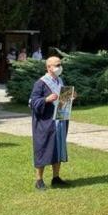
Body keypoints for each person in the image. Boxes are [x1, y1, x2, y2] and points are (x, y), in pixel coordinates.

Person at [30, 56, 73, 190]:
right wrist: (46, 99)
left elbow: (63, 99)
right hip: (45, 122)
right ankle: (39, 180)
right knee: (42, 148)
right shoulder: (41, 83)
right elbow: (32, 102)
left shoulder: (60, 80)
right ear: (49, 67)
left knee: (58, 147)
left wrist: (70, 97)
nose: (59, 67)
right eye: (57, 65)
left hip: (60, 120)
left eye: (60, 64)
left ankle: (56, 177)